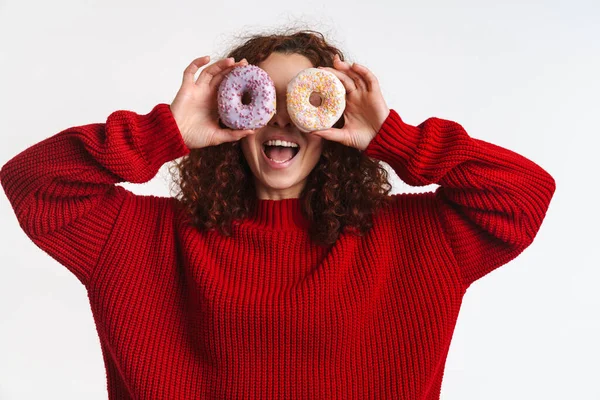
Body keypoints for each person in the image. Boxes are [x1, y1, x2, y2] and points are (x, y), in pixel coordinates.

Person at [0, 29, 556, 399]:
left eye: (303, 102)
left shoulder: (411, 239)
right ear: (233, 113)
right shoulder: (142, 239)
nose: (284, 122)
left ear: (332, 122)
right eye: (268, 99)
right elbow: (32, 183)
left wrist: (396, 139)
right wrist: (164, 131)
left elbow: (524, 195)